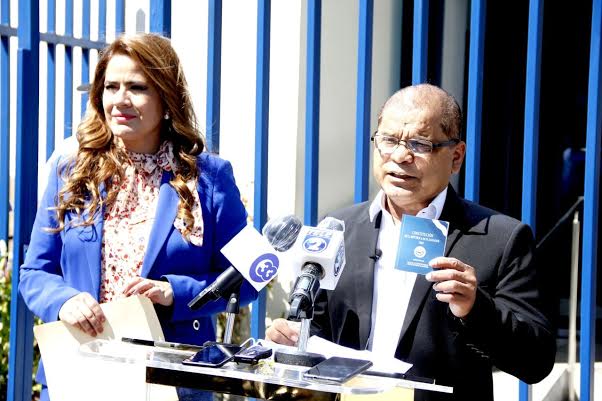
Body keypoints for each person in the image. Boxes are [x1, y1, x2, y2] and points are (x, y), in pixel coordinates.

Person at [266, 84, 555, 400]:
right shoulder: (339, 227)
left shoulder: (500, 238)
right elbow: (319, 331)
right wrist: (294, 340)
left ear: (456, 156)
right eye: (389, 140)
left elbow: (536, 362)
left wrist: (475, 309)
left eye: (419, 144)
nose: (400, 156)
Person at [19, 33, 256, 400]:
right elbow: (35, 273)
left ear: (166, 98)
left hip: (172, 381)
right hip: (79, 372)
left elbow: (250, 277)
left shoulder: (209, 178)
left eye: (137, 87)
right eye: (111, 87)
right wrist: (63, 301)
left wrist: (175, 292)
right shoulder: (71, 172)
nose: (120, 99)